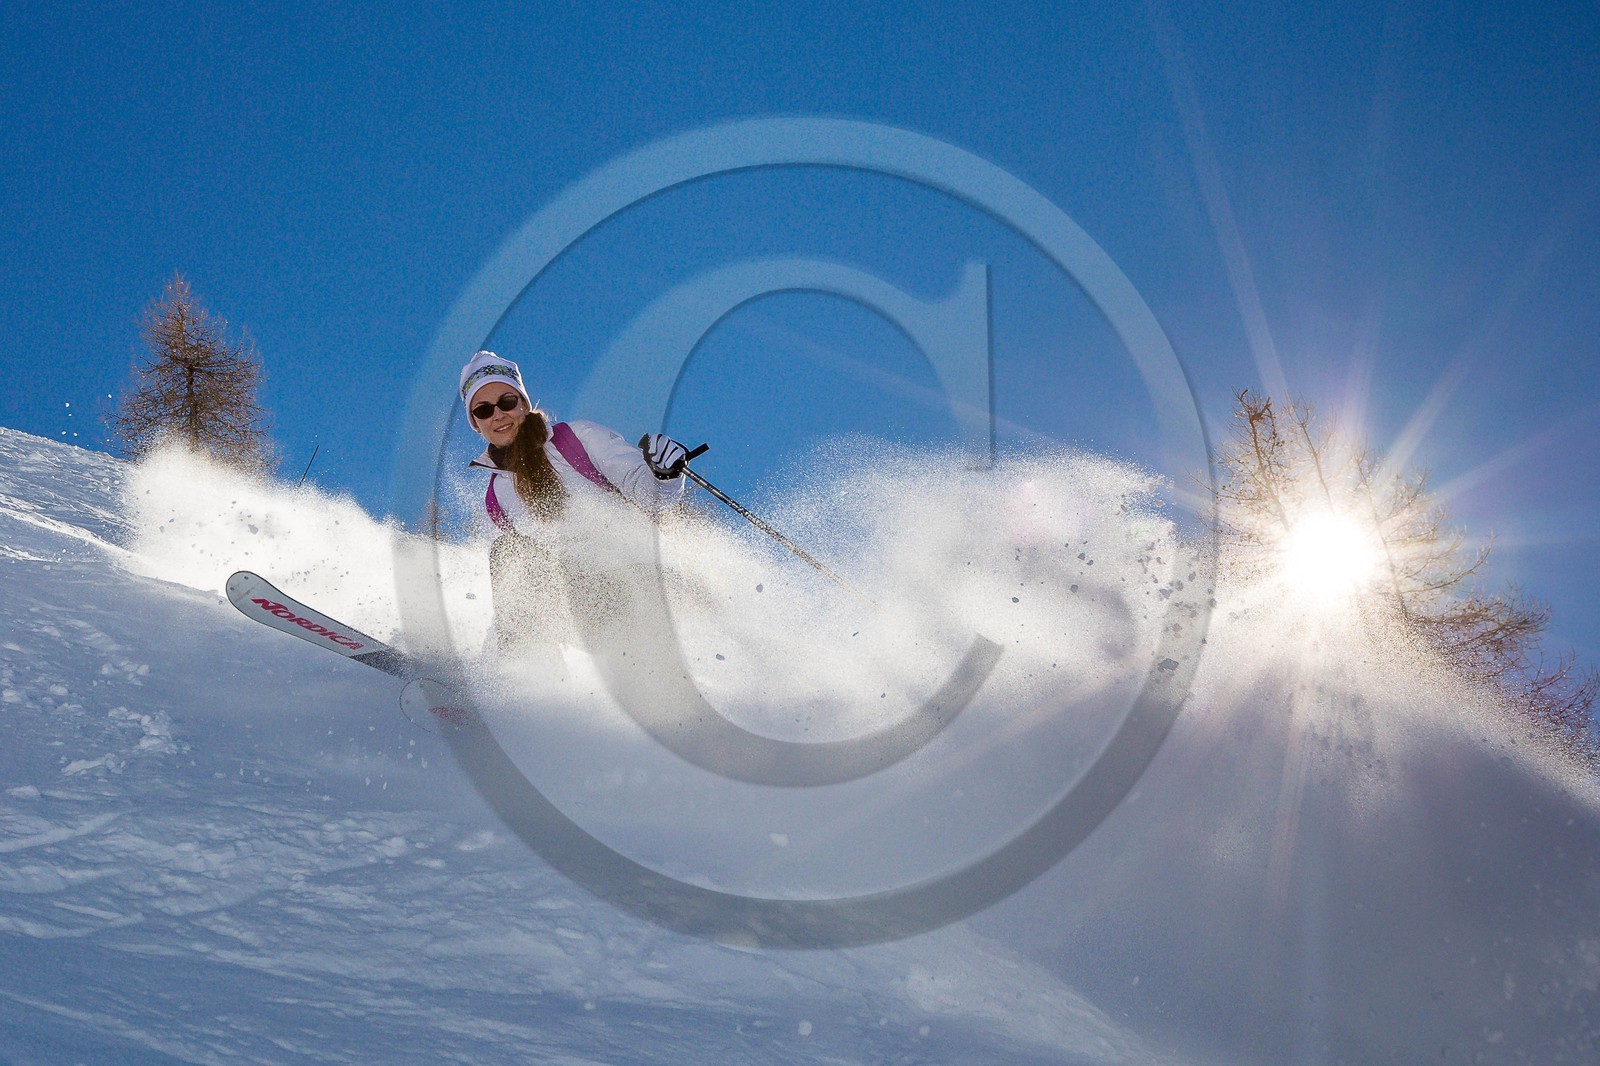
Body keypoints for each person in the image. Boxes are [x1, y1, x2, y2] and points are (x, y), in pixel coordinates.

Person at [459, 349, 694, 655]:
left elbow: (652, 498)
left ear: (524, 404)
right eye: (484, 410)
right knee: (510, 555)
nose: (498, 415)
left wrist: (666, 474)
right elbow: (514, 602)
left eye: (507, 402)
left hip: (643, 582)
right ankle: (527, 682)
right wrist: (491, 665)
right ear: (476, 424)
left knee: (570, 567)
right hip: (581, 607)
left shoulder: (577, 439)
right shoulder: (495, 500)